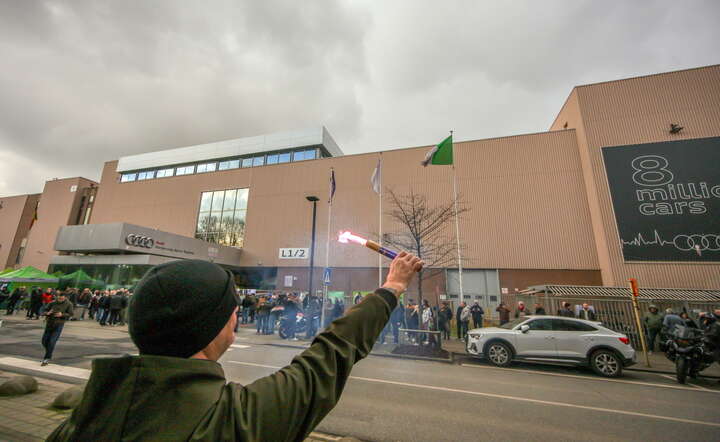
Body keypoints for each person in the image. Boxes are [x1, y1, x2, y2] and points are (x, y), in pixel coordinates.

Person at [48, 253, 423, 441]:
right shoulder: (232, 421)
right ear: (215, 325)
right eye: (231, 311)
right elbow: (332, 352)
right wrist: (392, 287)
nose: (236, 319)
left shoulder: (81, 420)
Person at [41, 291, 74, 366]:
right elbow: (43, 310)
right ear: (57, 297)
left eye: (61, 298)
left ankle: (46, 358)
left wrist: (62, 314)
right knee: (44, 341)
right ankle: (49, 351)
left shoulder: (69, 304)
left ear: (65, 297)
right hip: (49, 324)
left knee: (52, 342)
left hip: (59, 325)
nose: (60, 299)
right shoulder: (52, 302)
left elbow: (71, 314)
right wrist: (47, 313)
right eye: (58, 298)